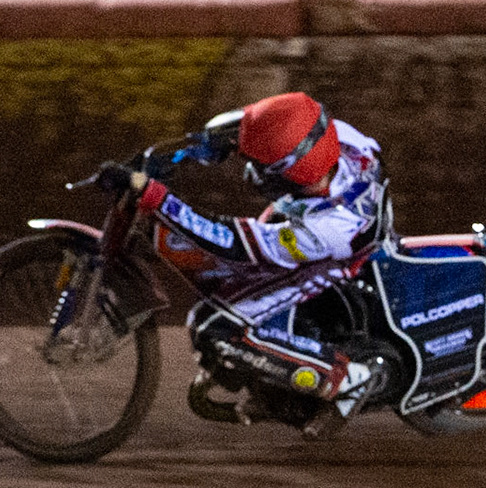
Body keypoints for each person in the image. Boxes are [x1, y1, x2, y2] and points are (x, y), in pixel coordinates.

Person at [98, 91, 390, 436]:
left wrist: (157, 197)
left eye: (262, 167)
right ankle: (272, 377)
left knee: (215, 328)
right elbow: (262, 125)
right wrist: (195, 148)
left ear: (286, 175)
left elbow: (228, 241)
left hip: (332, 255)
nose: (252, 171)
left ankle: (349, 378)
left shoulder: (325, 230)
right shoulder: (331, 135)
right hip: (333, 211)